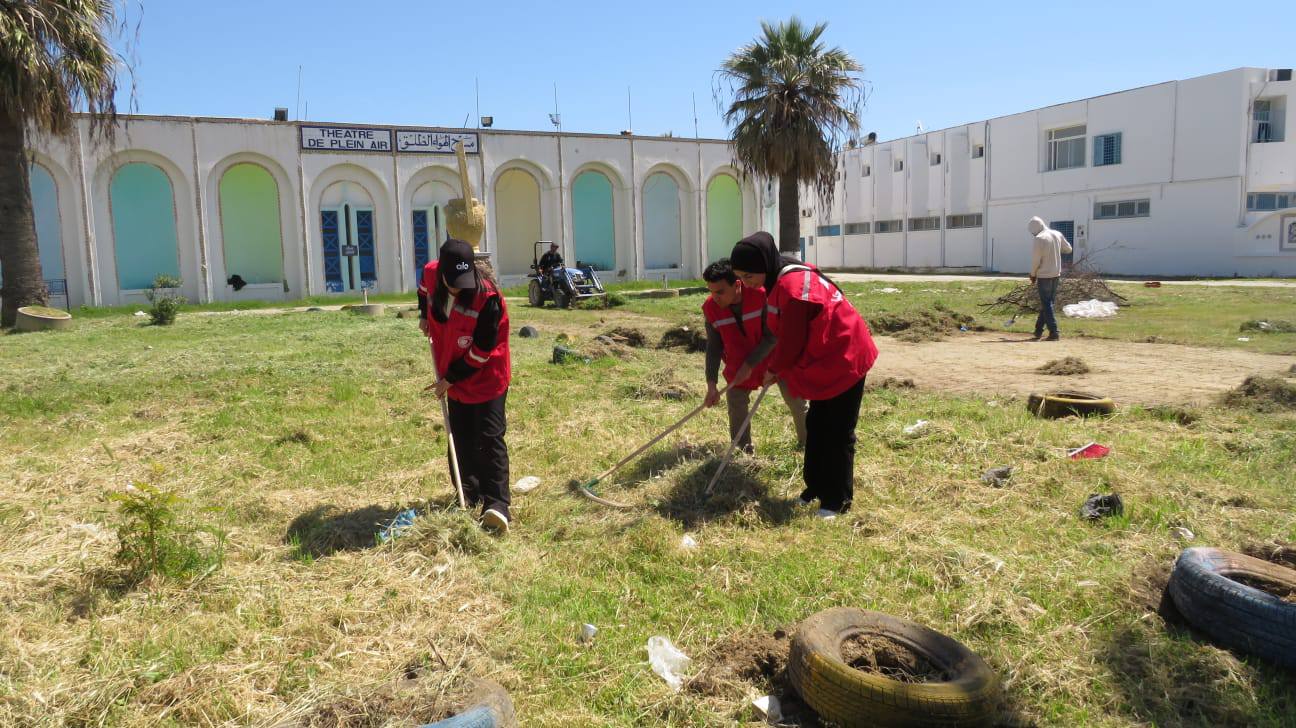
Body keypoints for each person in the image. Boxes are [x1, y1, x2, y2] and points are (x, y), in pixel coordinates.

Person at [729, 232, 879, 520]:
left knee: (838, 432)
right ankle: (814, 489)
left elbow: (792, 338)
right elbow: (780, 333)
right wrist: (767, 366)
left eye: (748, 276)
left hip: (844, 355)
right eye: (741, 278)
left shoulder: (792, 286)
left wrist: (773, 369)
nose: (747, 284)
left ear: (763, 264)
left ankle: (837, 500)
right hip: (824, 359)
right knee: (817, 423)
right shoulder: (777, 277)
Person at [418, 239, 513, 533]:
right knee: (459, 437)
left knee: (488, 439)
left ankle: (497, 505)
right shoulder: (433, 273)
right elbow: (423, 288)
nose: (459, 287)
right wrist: (424, 315)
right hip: (452, 368)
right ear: (443, 274)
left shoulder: (488, 298)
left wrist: (448, 380)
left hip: (487, 375)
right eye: (453, 282)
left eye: (464, 280)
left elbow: (481, 351)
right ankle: (468, 495)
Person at [701, 259, 808, 454]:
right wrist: (711, 385)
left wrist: (750, 365)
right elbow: (713, 348)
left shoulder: (762, 296)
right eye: (711, 291)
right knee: (736, 405)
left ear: (737, 284)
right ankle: (743, 453)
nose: (715, 297)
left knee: (797, 401)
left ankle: (808, 446)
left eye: (720, 291)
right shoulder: (710, 309)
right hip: (738, 365)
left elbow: (772, 335)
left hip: (776, 360)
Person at [1028, 216, 1073, 341]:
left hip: (1044, 275)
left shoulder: (1039, 238)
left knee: (1046, 303)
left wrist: (1033, 274)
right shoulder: (1056, 234)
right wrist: (1055, 250)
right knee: (1047, 303)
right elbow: (1068, 249)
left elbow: (1036, 260)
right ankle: (1038, 330)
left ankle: (1054, 332)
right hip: (1056, 274)